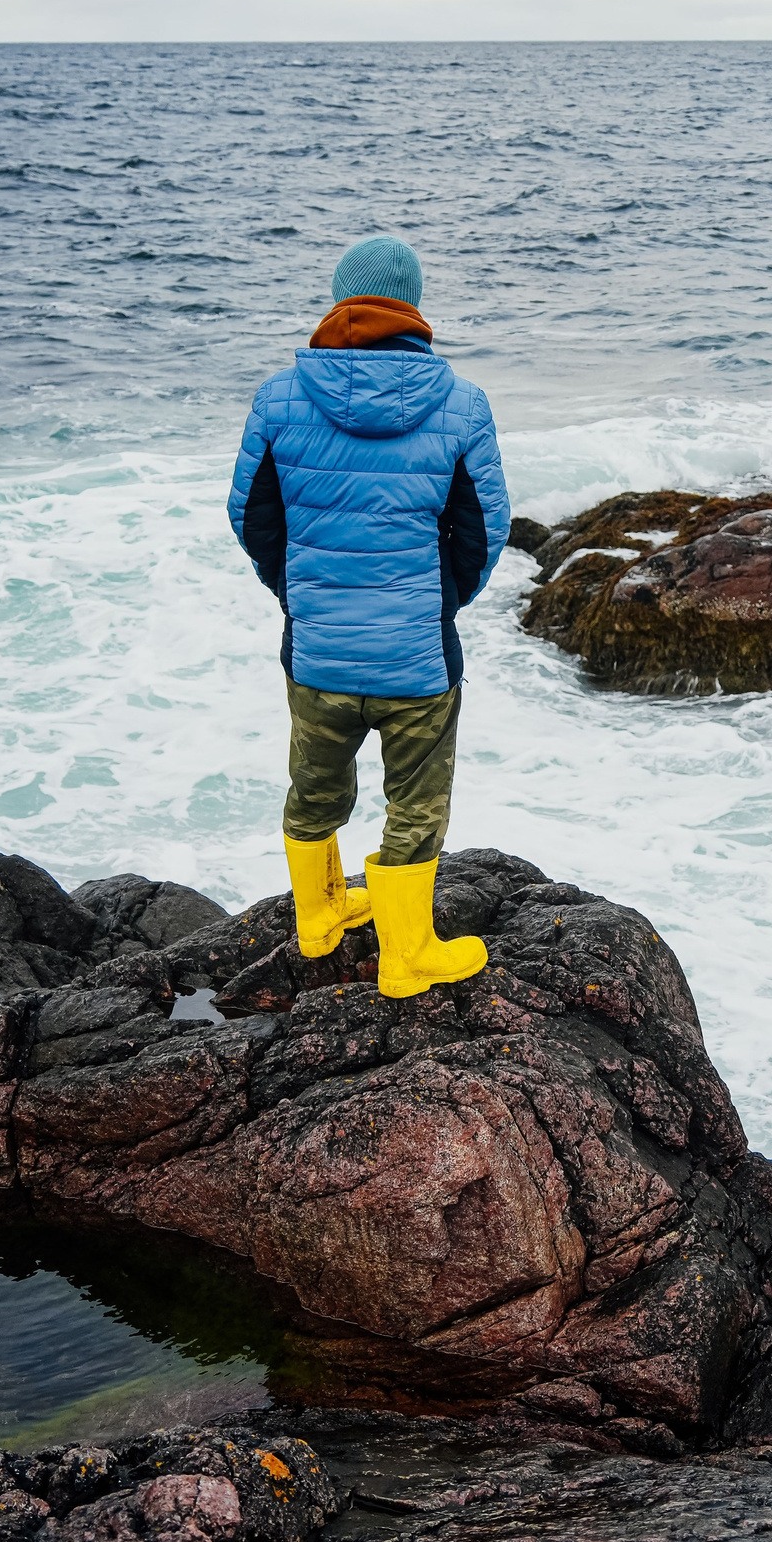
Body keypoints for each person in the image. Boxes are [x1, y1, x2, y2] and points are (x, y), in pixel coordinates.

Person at [227, 236, 511, 997]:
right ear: (411, 303)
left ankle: (319, 918)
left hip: (317, 649)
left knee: (313, 787)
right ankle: (406, 955)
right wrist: (440, 603)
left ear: (339, 299)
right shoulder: (462, 403)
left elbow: (251, 517)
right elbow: (485, 530)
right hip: (417, 656)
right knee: (415, 804)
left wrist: (300, 595)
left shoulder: (279, 397)